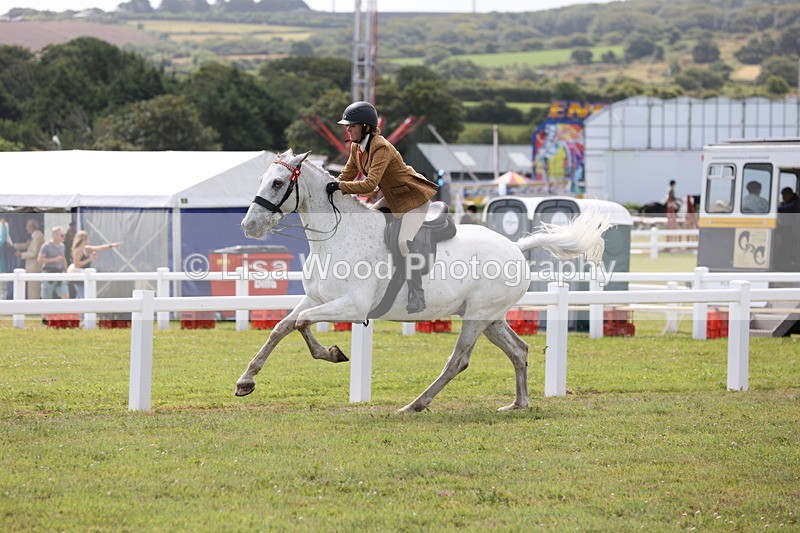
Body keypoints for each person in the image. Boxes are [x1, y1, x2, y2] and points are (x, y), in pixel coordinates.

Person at [326, 101, 438, 313]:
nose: (347, 129)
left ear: (366, 127)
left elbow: (369, 187)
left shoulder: (381, 146)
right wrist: (329, 186)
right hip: (393, 198)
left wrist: (339, 186)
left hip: (414, 198)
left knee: (404, 242)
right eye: (347, 126)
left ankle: (417, 294)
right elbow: (346, 176)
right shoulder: (356, 147)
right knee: (366, 225)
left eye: (352, 125)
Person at [70, 230, 121, 298]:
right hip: (79, 276)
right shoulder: (78, 250)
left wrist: (111, 246)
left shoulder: (86, 249)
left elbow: (99, 248)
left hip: (85, 275)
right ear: (84, 239)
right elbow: (77, 264)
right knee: (82, 295)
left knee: (82, 295)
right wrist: (89, 259)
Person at [14, 218, 45, 299]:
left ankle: (34, 309)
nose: (26, 228)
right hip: (31, 267)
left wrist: (21, 254)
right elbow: (27, 245)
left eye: (27, 226)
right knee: (31, 289)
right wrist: (14, 245)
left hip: (34, 267)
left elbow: (34, 252)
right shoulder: (34, 236)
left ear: (32, 227)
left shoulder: (38, 236)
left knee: (34, 290)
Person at [37, 226, 69, 300]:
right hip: (48, 273)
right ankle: (45, 311)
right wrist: (54, 260)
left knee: (65, 295)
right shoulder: (46, 246)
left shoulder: (62, 246)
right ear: (55, 235)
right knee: (46, 298)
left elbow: (63, 258)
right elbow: (40, 259)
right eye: (61, 235)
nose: (63, 237)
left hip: (59, 273)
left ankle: (63, 311)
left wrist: (66, 271)